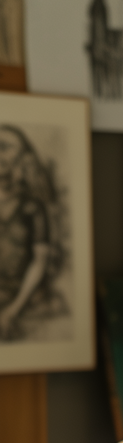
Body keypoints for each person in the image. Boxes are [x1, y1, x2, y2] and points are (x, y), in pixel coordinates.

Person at [0, 126, 55, 341]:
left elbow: (39, 261)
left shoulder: (32, 208)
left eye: (5, 148)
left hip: (18, 298)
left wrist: (12, 311)